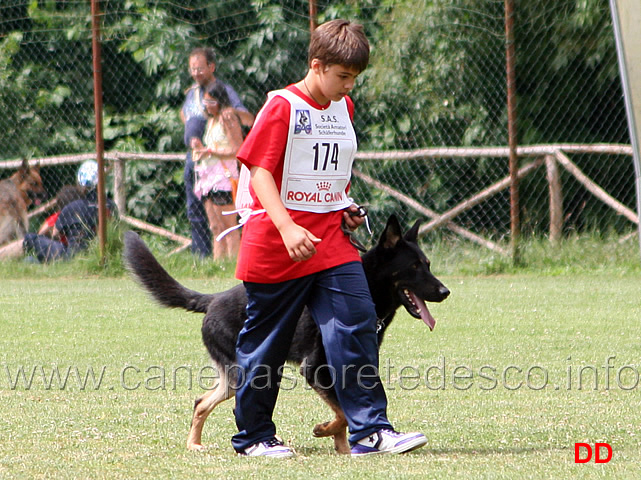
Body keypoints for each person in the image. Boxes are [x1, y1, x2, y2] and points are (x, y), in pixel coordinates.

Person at [230, 19, 428, 458]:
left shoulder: (345, 108)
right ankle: (254, 438)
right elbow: (259, 172)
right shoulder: (282, 107)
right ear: (316, 65)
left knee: (356, 325)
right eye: (342, 76)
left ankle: (371, 432)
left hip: (331, 242)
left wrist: (345, 206)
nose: (348, 86)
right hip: (279, 243)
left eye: (354, 78)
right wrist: (286, 225)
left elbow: (328, 176)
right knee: (267, 343)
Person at [181, 47, 254, 258]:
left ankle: (232, 266)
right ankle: (206, 261)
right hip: (202, 168)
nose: (195, 73)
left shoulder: (223, 93)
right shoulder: (193, 93)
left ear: (211, 67)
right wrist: (192, 134)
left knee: (228, 224)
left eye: (200, 68)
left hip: (222, 172)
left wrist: (228, 113)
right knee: (204, 219)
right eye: (192, 69)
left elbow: (247, 120)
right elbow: (185, 114)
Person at [0, 160, 115, 263]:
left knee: (30, 239)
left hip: (70, 256)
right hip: (95, 255)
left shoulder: (72, 207)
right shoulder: (111, 206)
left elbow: (53, 233)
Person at [191, 82, 243, 260]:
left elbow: (238, 149)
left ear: (221, 101)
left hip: (224, 178)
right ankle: (217, 265)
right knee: (215, 228)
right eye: (206, 103)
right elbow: (213, 145)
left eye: (212, 103)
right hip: (207, 177)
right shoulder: (211, 120)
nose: (208, 107)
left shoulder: (227, 118)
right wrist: (201, 147)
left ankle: (232, 266)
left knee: (229, 227)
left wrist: (211, 152)